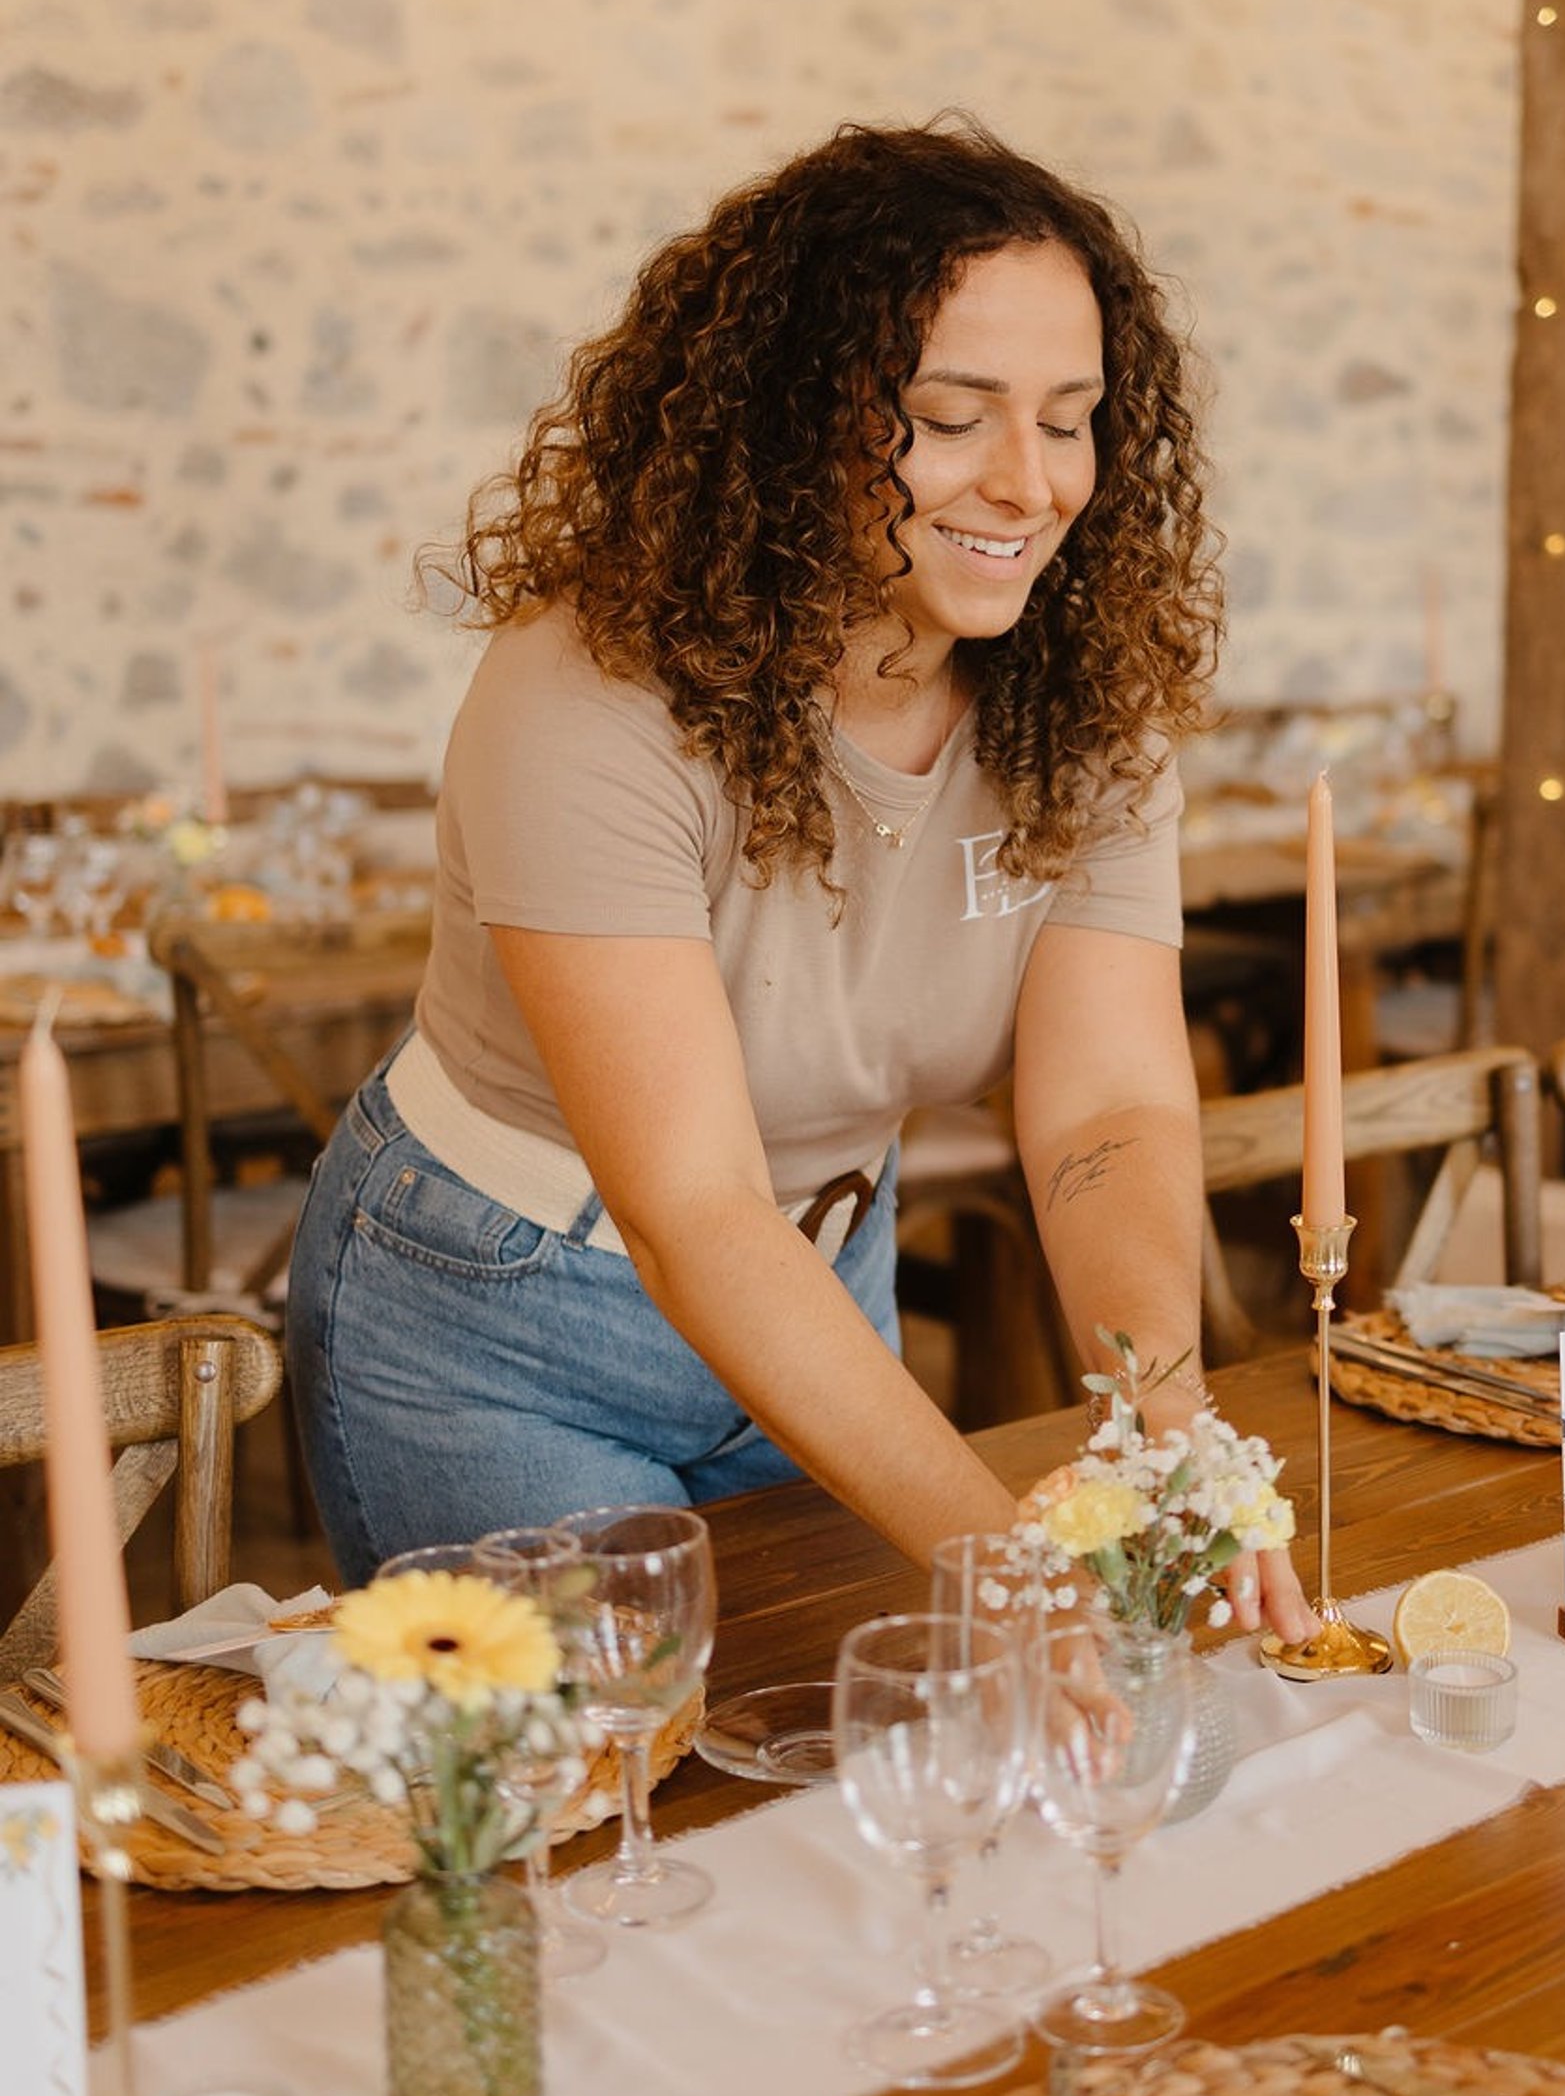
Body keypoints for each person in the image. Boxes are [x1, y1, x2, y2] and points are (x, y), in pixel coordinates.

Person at [286, 117, 1314, 1641]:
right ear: (795, 419)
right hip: (496, 1314)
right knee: (612, 1807)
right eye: (954, 417)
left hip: (825, 1278)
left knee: (855, 1764)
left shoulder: (1084, 700)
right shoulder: (588, 700)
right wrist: (1002, 1553)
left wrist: (1161, 1407)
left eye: (1072, 418)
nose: (1030, 485)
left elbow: (1108, 1109)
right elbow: (693, 1205)